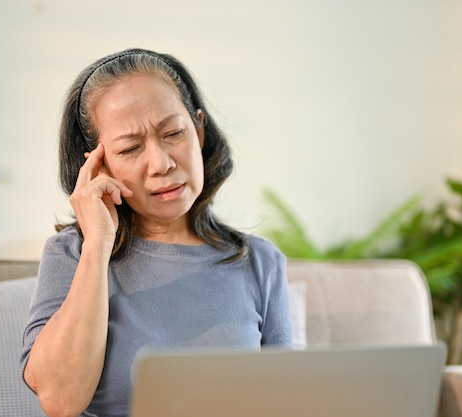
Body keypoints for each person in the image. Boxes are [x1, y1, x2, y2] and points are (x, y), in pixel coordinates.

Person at [20, 48, 293, 417]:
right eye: (130, 148)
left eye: (173, 133)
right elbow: (60, 400)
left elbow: (284, 401)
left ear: (198, 130)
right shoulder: (71, 254)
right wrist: (98, 244)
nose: (161, 163)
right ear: (99, 165)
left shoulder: (261, 263)